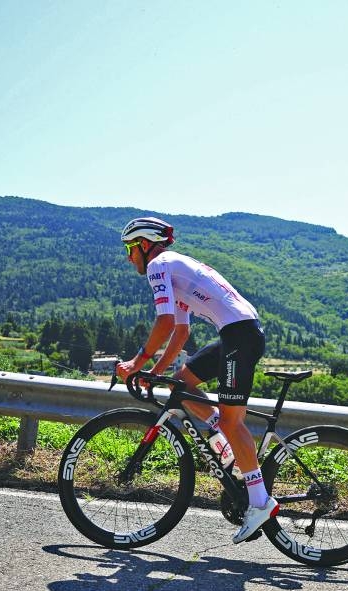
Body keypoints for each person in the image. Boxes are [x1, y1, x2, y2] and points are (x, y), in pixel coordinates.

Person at [115, 216, 276, 544]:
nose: (129, 257)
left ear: (144, 245)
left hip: (239, 335)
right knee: (182, 383)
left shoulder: (158, 265)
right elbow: (180, 331)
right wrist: (156, 373)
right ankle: (226, 447)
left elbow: (164, 322)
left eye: (130, 249)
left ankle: (260, 503)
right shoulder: (175, 267)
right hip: (236, 332)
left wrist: (136, 363)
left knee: (232, 422)